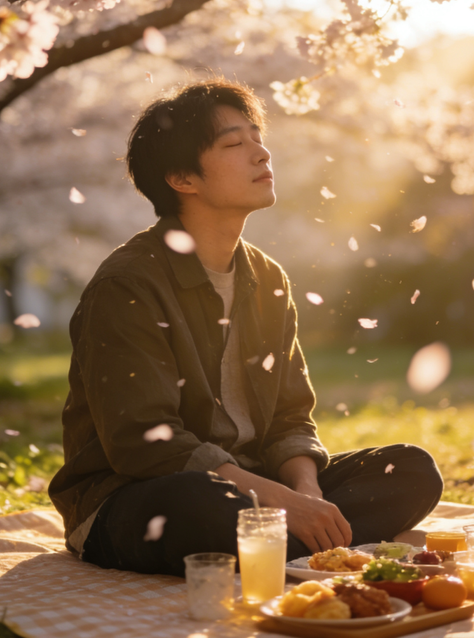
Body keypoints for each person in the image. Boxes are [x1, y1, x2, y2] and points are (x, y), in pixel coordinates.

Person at [48, 77, 443, 576]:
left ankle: (299, 548)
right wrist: (280, 502)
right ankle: (313, 546)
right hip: (137, 496)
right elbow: (144, 441)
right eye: (236, 143)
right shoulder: (128, 284)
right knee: (201, 505)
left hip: (255, 487)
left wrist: (306, 493)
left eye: (258, 137)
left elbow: (290, 417)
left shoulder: (268, 278)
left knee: (409, 468)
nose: (262, 154)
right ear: (182, 178)